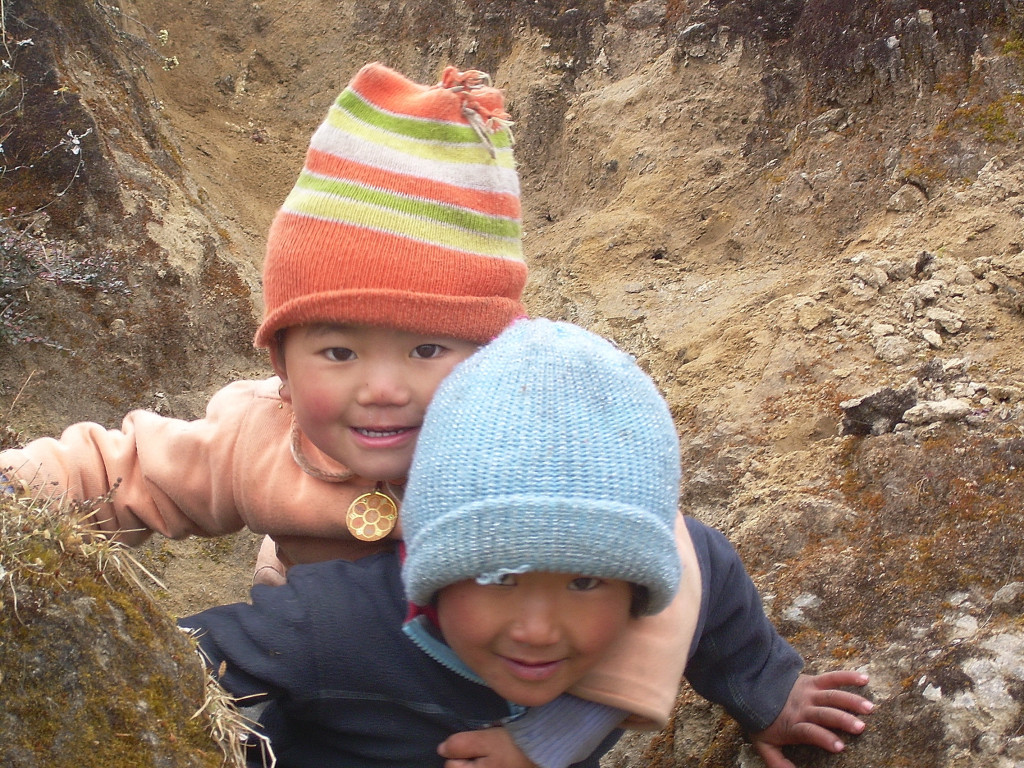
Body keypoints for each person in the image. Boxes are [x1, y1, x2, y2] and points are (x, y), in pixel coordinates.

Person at [0, 63, 693, 767]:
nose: (383, 388)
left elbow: (672, 561)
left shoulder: (541, 441)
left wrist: (552, 739)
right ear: (282, 365)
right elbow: (129, 470)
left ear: (494, 355)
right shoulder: (260, 435)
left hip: (491, 708)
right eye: (338, 351)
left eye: (427, 348)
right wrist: (18, 491)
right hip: (315, 677)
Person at [181, 319, 873, 768]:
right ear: (433, 566)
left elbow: (710, 573)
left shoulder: (658, 595)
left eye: (582, 582)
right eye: (499, 577)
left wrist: (768, 691)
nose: (539, 630)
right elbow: (186, 662)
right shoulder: (332, 622)